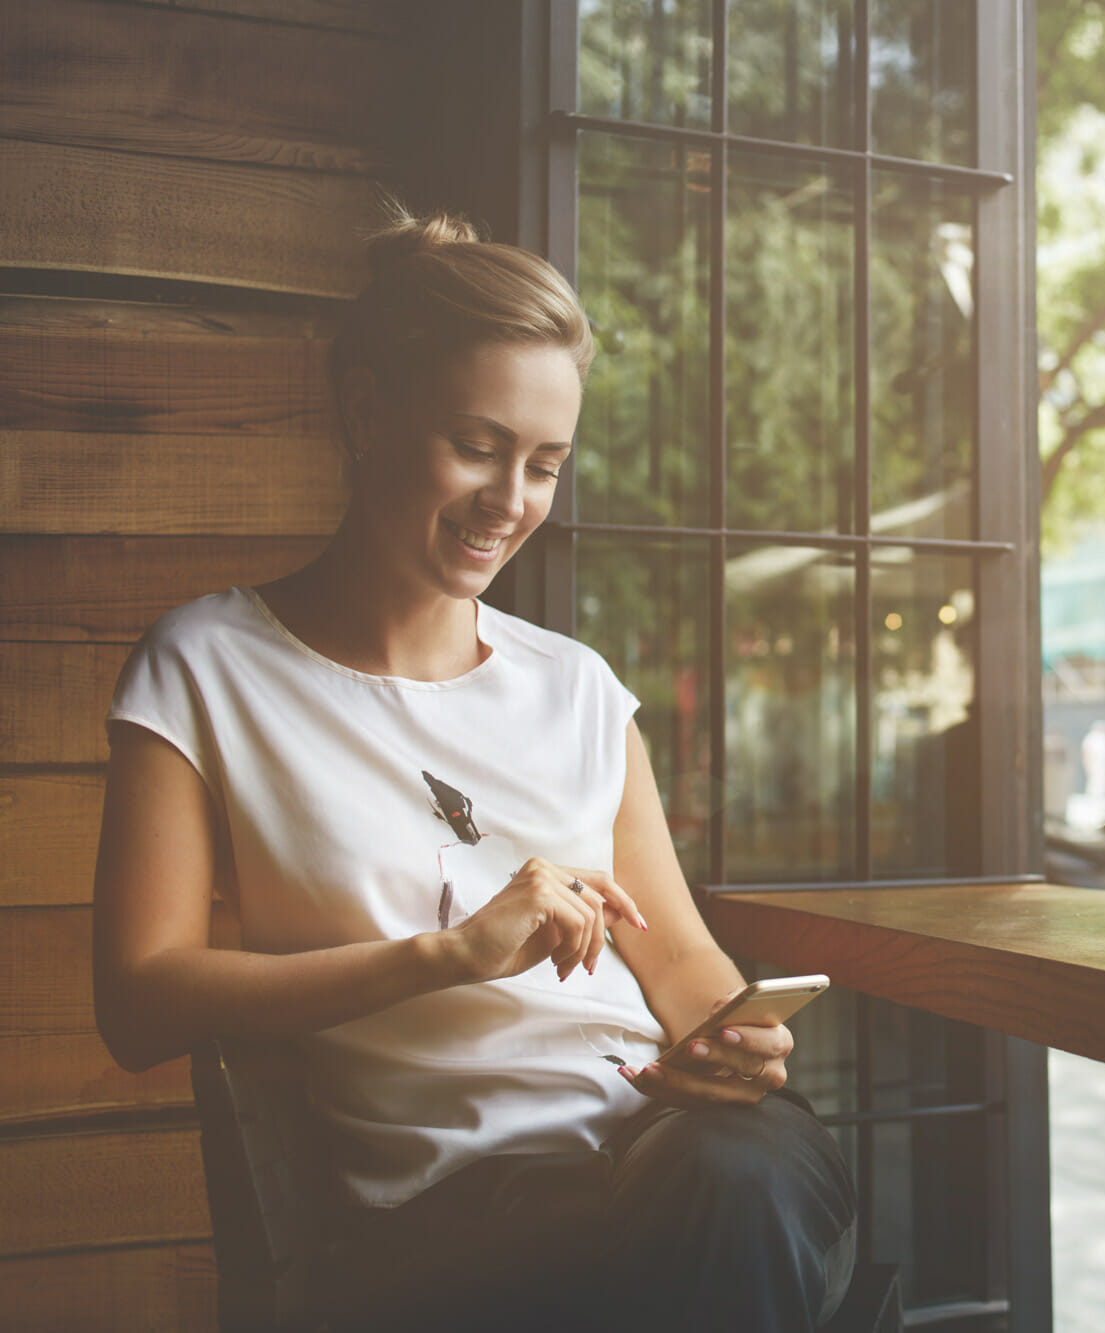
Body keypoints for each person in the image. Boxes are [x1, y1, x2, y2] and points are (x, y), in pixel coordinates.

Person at [91, 207, 855, 1331]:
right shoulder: (207, 666)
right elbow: (140, 999)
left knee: (732, 1182)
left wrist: (728, 1043)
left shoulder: (577, 686)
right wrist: (445, 955)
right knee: (708, 1231)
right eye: (478, 446)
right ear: (365, 414)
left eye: (544, 464)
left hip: (678, 1151)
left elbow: (676, 950)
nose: (512, 500)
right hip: (451, 1209)